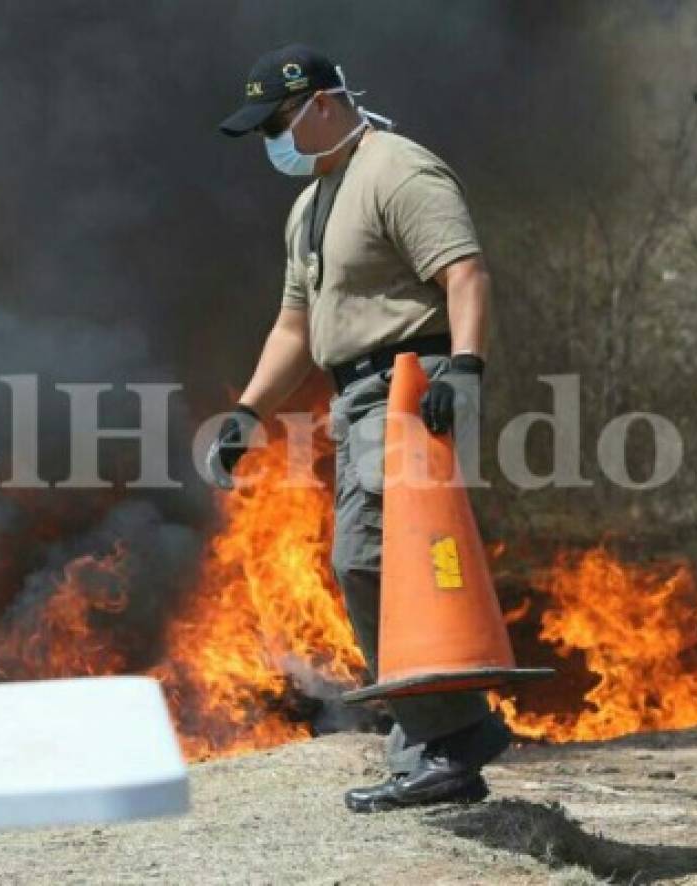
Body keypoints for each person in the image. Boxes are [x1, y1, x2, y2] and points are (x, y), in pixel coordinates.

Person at [209, 44, 511, 812]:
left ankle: (450, 741)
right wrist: (248, 413)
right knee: (368, 564)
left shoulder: (399, 171)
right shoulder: (311, 204)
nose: (274, 142)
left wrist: (465, 369)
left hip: (409, 390)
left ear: (321, 103)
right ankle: (434, 746)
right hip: (356, 401)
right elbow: (292, 329)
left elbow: (464, 272)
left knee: (374, 560)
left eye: (278, 122)